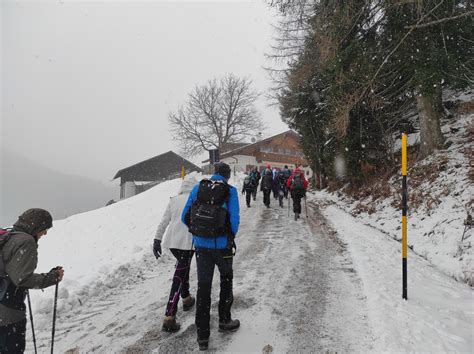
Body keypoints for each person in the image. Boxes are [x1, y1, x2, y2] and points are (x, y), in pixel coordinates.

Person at [182, 162, 240, 351]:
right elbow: (235, 221)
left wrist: (199, 232)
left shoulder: (199, 188)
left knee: (203, 288)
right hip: (222, 247)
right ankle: (224, 320)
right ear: (227, 176)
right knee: (226, 280)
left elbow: (185, 216)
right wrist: (227, 235)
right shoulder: (229, 191)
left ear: (215, 174)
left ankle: (203, 336)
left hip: (201, 248)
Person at [0, 209, 64, 353]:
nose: (45, 233)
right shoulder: (26, 241)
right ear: (36, 227)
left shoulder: (9, 235)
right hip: (8, 312)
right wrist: (53, 277)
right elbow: (22, 279)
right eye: (44, 229)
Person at [154, 176, 197, 333]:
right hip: (188, 243)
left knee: (182, 268)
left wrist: (156, 239)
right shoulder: (194, 199)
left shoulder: (174, 200)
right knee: (179, 276)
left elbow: (164, 221)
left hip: (173, 243)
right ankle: (169, 317)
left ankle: (186, 299)